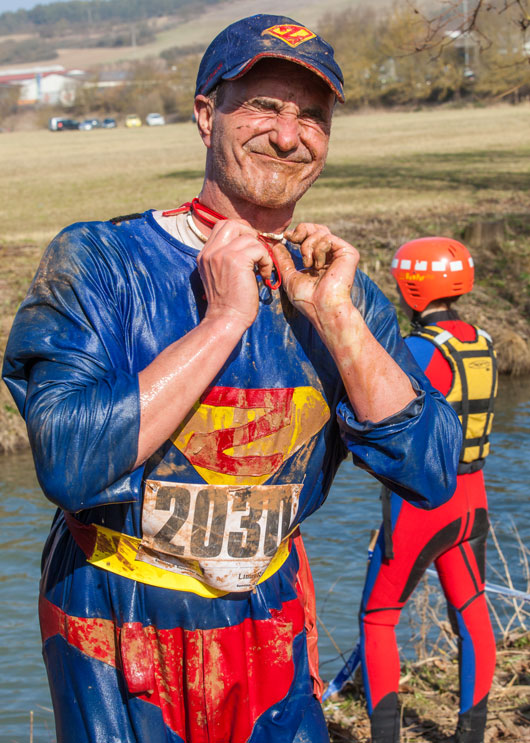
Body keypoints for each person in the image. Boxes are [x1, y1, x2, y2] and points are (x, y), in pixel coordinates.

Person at [3, 15, 461, 743]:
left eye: (312, 117)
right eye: (263, 106)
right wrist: (222, 320)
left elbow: (431, 472)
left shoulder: (341, 294)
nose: (288, 135)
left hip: (269, 617)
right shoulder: (100, 261)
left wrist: (337, 321)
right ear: (205, 115)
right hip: (114, 618)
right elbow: (69, 463)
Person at [359, 236, 498, 743]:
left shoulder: (418, 348)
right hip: (474, 501)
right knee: (472, 611)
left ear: (410, 287)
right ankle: (471, 736)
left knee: (377, 618)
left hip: (423, 507)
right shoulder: (482, 341)